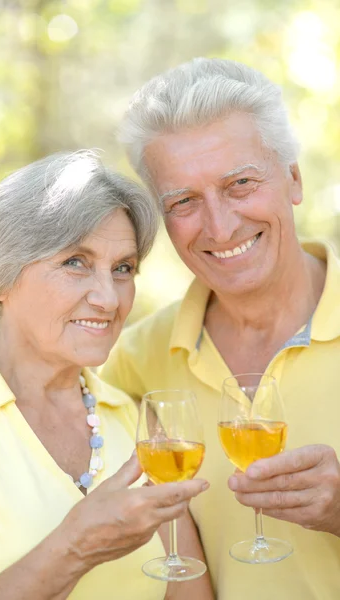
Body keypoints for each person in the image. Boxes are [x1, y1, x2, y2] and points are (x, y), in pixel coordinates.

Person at [101, 58, 340, 599]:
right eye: (184, 201)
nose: (220, 225)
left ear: (293, 179)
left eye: (240, 184)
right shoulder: (135, 360)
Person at [0, 151, 214, 600]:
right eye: (75, 262)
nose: (108, 299)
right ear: (1, 278)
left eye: (122, 268)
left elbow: (189, 592)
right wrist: (73, 549)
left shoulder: (133, 419)